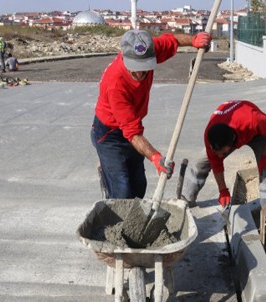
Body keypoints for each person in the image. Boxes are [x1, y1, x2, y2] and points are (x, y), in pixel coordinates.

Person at [90, 29, 211, 199]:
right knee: (122, 193)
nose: (140, 74)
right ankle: (110, 187)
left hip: (133, 129)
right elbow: (132, 133)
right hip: (110, 135)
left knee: (139, 186)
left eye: (144, 68)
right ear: (125, 58)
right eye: (135, 69)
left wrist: (194, 40)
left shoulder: (147, 49)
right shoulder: (115, 83)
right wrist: (155, 157)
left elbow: (173, 40)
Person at [181, 100, 266, 247]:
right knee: (199, 164)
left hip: (256, 134)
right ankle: (185, 201)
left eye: (224, 153)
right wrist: (223, 190)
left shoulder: (255, 121)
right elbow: (216, 164)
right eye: (218, 153)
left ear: (233, 142)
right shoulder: (211, 135)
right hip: (228, 129)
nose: (221, 156)